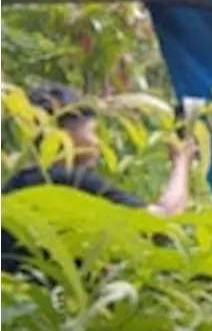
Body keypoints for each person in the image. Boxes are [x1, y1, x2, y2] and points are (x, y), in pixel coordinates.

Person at [0, 83, 197, 269]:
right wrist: (181, 162)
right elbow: (162, 223)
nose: (97, 144)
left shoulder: (15, 185)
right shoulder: (69, 181)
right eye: (92, 132)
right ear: (62, 132)